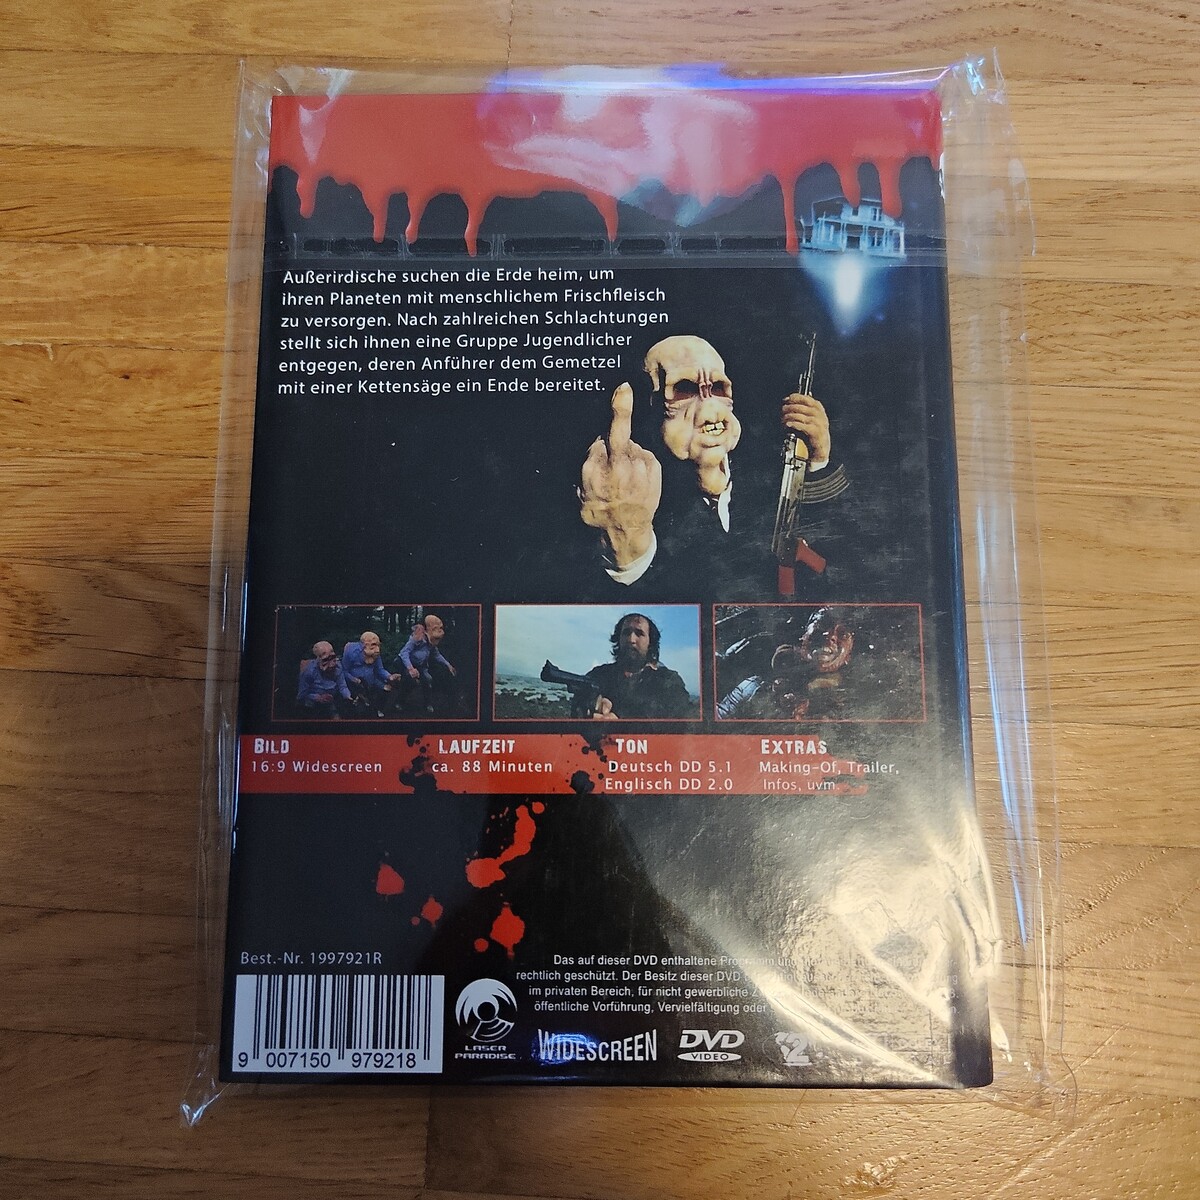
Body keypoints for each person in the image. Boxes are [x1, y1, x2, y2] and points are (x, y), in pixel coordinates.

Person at [578, 336, 844, 594]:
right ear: (652, 406)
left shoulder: (762, 473)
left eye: (718, 388)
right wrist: (629, 554)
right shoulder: (638, 497)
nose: (711, 411)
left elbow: (839, 553)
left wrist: (819, 460)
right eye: (684, 390)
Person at [717, 607, 854, 719]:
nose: (830, 636)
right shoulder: (754, 678)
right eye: (822, 626)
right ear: (804, 636)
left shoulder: (849, 696)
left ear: (849, 656)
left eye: (842, 634)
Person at [585, 612, 694, 720]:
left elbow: (680, 713)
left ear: (650, 642)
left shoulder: (668, 680)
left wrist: (620, 717)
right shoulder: (599, 675)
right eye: (626, 633)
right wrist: (594, 704)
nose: (631, 639)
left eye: (639, 633)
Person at [396, 614, 458, 714]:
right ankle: (399, 702)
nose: (440, 632)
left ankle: (428, 704)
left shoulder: (431, 643)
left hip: (421, 666)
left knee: (428, 679)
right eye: (434, 629)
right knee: (410, 681)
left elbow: (437, 655)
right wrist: (410, 668)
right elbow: (404, 653)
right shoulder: (416, 639)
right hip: (406, 663)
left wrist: (448, 665)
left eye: (440, 628)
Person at [342, 631, 402, 716]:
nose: (377, 649)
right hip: (354, 686)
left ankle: (380, 710)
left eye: (378, 645)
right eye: (373, 645)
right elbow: (344, 671)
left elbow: (380, 670)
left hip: (372, 682)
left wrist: (390, 676)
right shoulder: (351, 652)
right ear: (365, 645)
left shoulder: (375, 654)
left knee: (388, 690)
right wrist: (353, 679)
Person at [296, 640, 353, 716]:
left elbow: (342, 686)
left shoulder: (338, 666)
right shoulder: (309, 672)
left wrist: (348, 696)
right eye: (325, 660)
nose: (331, 664)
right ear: (318, 659)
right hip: (312, 706)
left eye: (333, 657)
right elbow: (301, 696)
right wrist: (318, 697)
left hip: (333, 701)